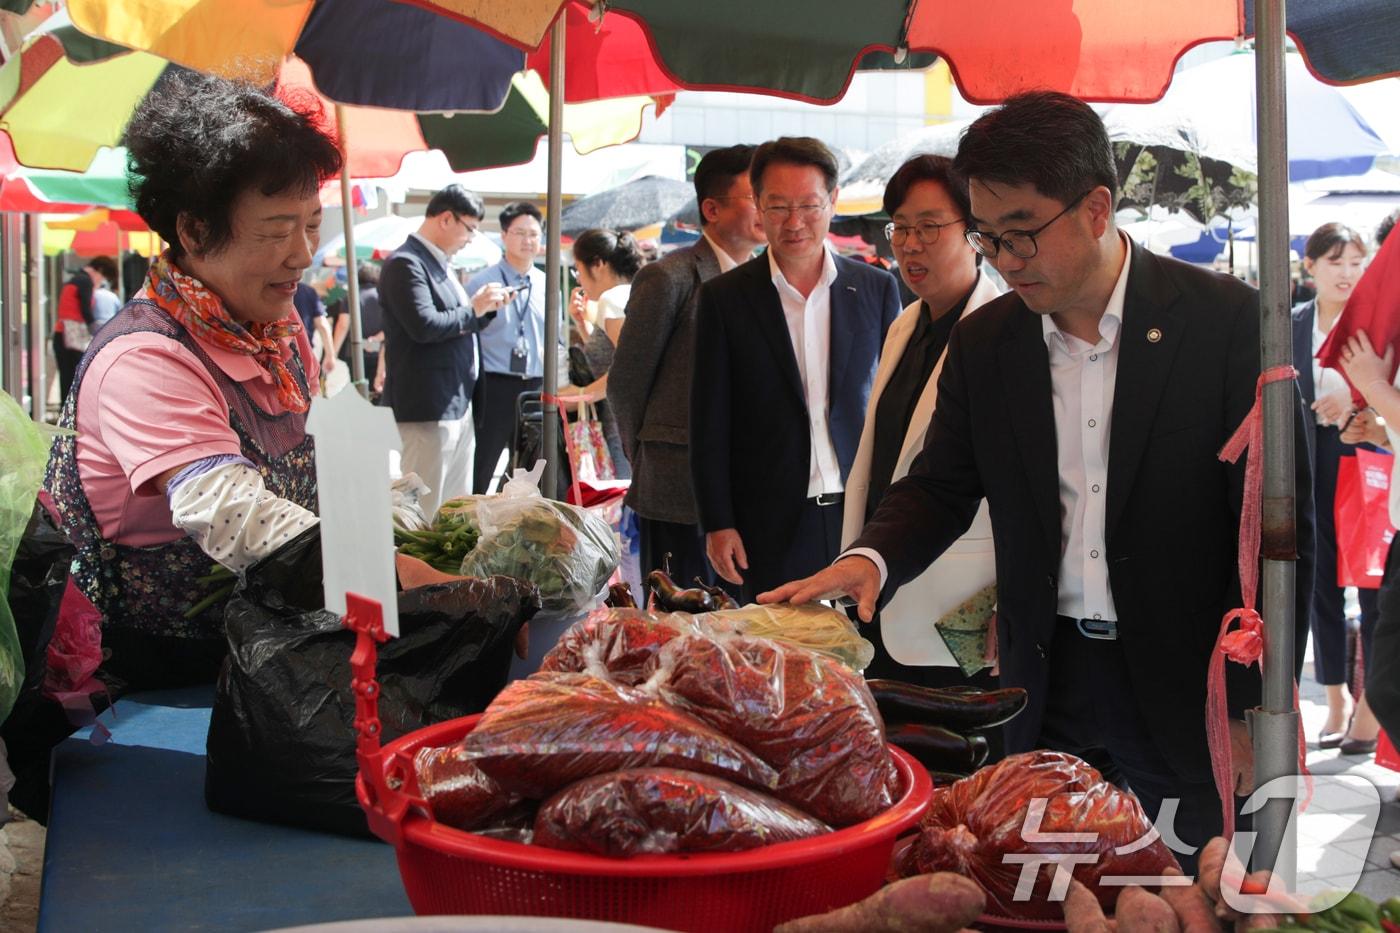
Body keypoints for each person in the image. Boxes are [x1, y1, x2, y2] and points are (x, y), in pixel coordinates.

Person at [762, 92, 1315, 865]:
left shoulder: (1230, 326)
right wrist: (870, 558)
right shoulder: (989, 342)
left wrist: (1259, 710)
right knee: (1045, 892)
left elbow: (1281, 541)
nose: (1005, 260)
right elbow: (942, 482)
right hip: (1045, 682)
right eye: (989, 238)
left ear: (1096, 208)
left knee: (1192, 894)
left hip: (1190, 687)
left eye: (1022, 233)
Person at [43, 73, 343, 689]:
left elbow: (324, 455)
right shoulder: (145, 356)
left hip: (259, 657)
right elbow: (229, 511)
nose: (303, 252)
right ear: (195, 231)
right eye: (276, 229)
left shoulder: (275, 332)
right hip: (152, 684)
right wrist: (385, 573)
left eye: (312, 223)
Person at [690, 136, 902, 604]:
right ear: (759, 208)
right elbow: (709, 419)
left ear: (833, 202)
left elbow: (893, 405)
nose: (794, 222)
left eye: (808, 205)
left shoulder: (875, 289)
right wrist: (718, 521)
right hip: (769, 518)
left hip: (860, 511)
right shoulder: (725, 299)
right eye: (778, 206)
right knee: (776, 659)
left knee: (859, 654)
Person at [842, 155, 1003, 684]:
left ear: (974, 232)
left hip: (961, 607)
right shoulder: (904, 325)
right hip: (880, 590)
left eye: (929, 227)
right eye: (901, 228)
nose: (910, 244)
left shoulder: (1001, 332)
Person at [609, 144, 766, 587]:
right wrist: (645, 456)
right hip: (676, 484)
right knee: (679, 617)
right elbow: (627, 383)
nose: (768, 208)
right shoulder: (670, 276)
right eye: (755, 196)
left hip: (745, 488)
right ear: (712, 209)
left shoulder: (767, 281)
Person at [1292, 223, 1378, 751]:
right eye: (1336, 262)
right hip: (1309, 456)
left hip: (1362, 457)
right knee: (1319, 576)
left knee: (1367, 579)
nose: (1347, 273)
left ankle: (1368, 706)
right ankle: (1334, 697)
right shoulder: (1295, 322)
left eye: (1354, 262)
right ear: (1311, 267)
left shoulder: (1373, 324)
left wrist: (1353, 401)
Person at [379, 185, 506, 514]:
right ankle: (414, 568)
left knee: (453, 509)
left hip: (456, 402)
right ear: (446, 219)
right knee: (422, 510)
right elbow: (424, 326)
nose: (471, 238)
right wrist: (474, 309)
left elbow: (457, 323)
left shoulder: (441, 264)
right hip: (428, 405)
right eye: (470, 228)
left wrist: (484, 311)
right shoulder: (406, 263)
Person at [469, 201, 547, 494]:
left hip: (536, 386)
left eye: (534, 234)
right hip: (494, 384)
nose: (528, 240)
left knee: (529, 468)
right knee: (483, 462)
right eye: (520, 233)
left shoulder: (546, 283)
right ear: (503, 235)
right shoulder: (483, 282)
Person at [563, 228, 645, 479]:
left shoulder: (613, 299)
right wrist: (582, 325)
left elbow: (631, 367)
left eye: (578, 270)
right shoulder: (632, 293)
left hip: (619, 425)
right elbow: (614, 355)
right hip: (628, 422)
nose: (579, 280)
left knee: (618, 505)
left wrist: (580, 396)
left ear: (597, 264)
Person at [51, 255, 119, 400]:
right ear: (99, 270)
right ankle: (70, 418)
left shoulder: (76, 279)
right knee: (75, 382)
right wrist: (97, 331)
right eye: (103, 277)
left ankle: (66, 418)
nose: (101, 282)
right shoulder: (85, 281)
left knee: (67, 380)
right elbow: (86, 310)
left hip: (62, 336)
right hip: (71, 339)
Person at [330, 263, 384, 390]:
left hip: (354, 351)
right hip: (379, 351)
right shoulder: (384, 296)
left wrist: (333, 352)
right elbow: (391, 325)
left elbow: (343, 325)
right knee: (376, 388)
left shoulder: (351, 296)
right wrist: (377, 338)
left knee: (356, 389)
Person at [293, 280, 337, 377]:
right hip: (303, 351)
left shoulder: (270, 288)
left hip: (274, 351)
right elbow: (322, 324)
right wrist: (330, 355)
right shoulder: (307, 291)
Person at [88, 257, 123, 332]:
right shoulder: (113, 296)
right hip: (110, 326)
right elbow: (119, 312)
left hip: (95, 326)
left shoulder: (93, 294)